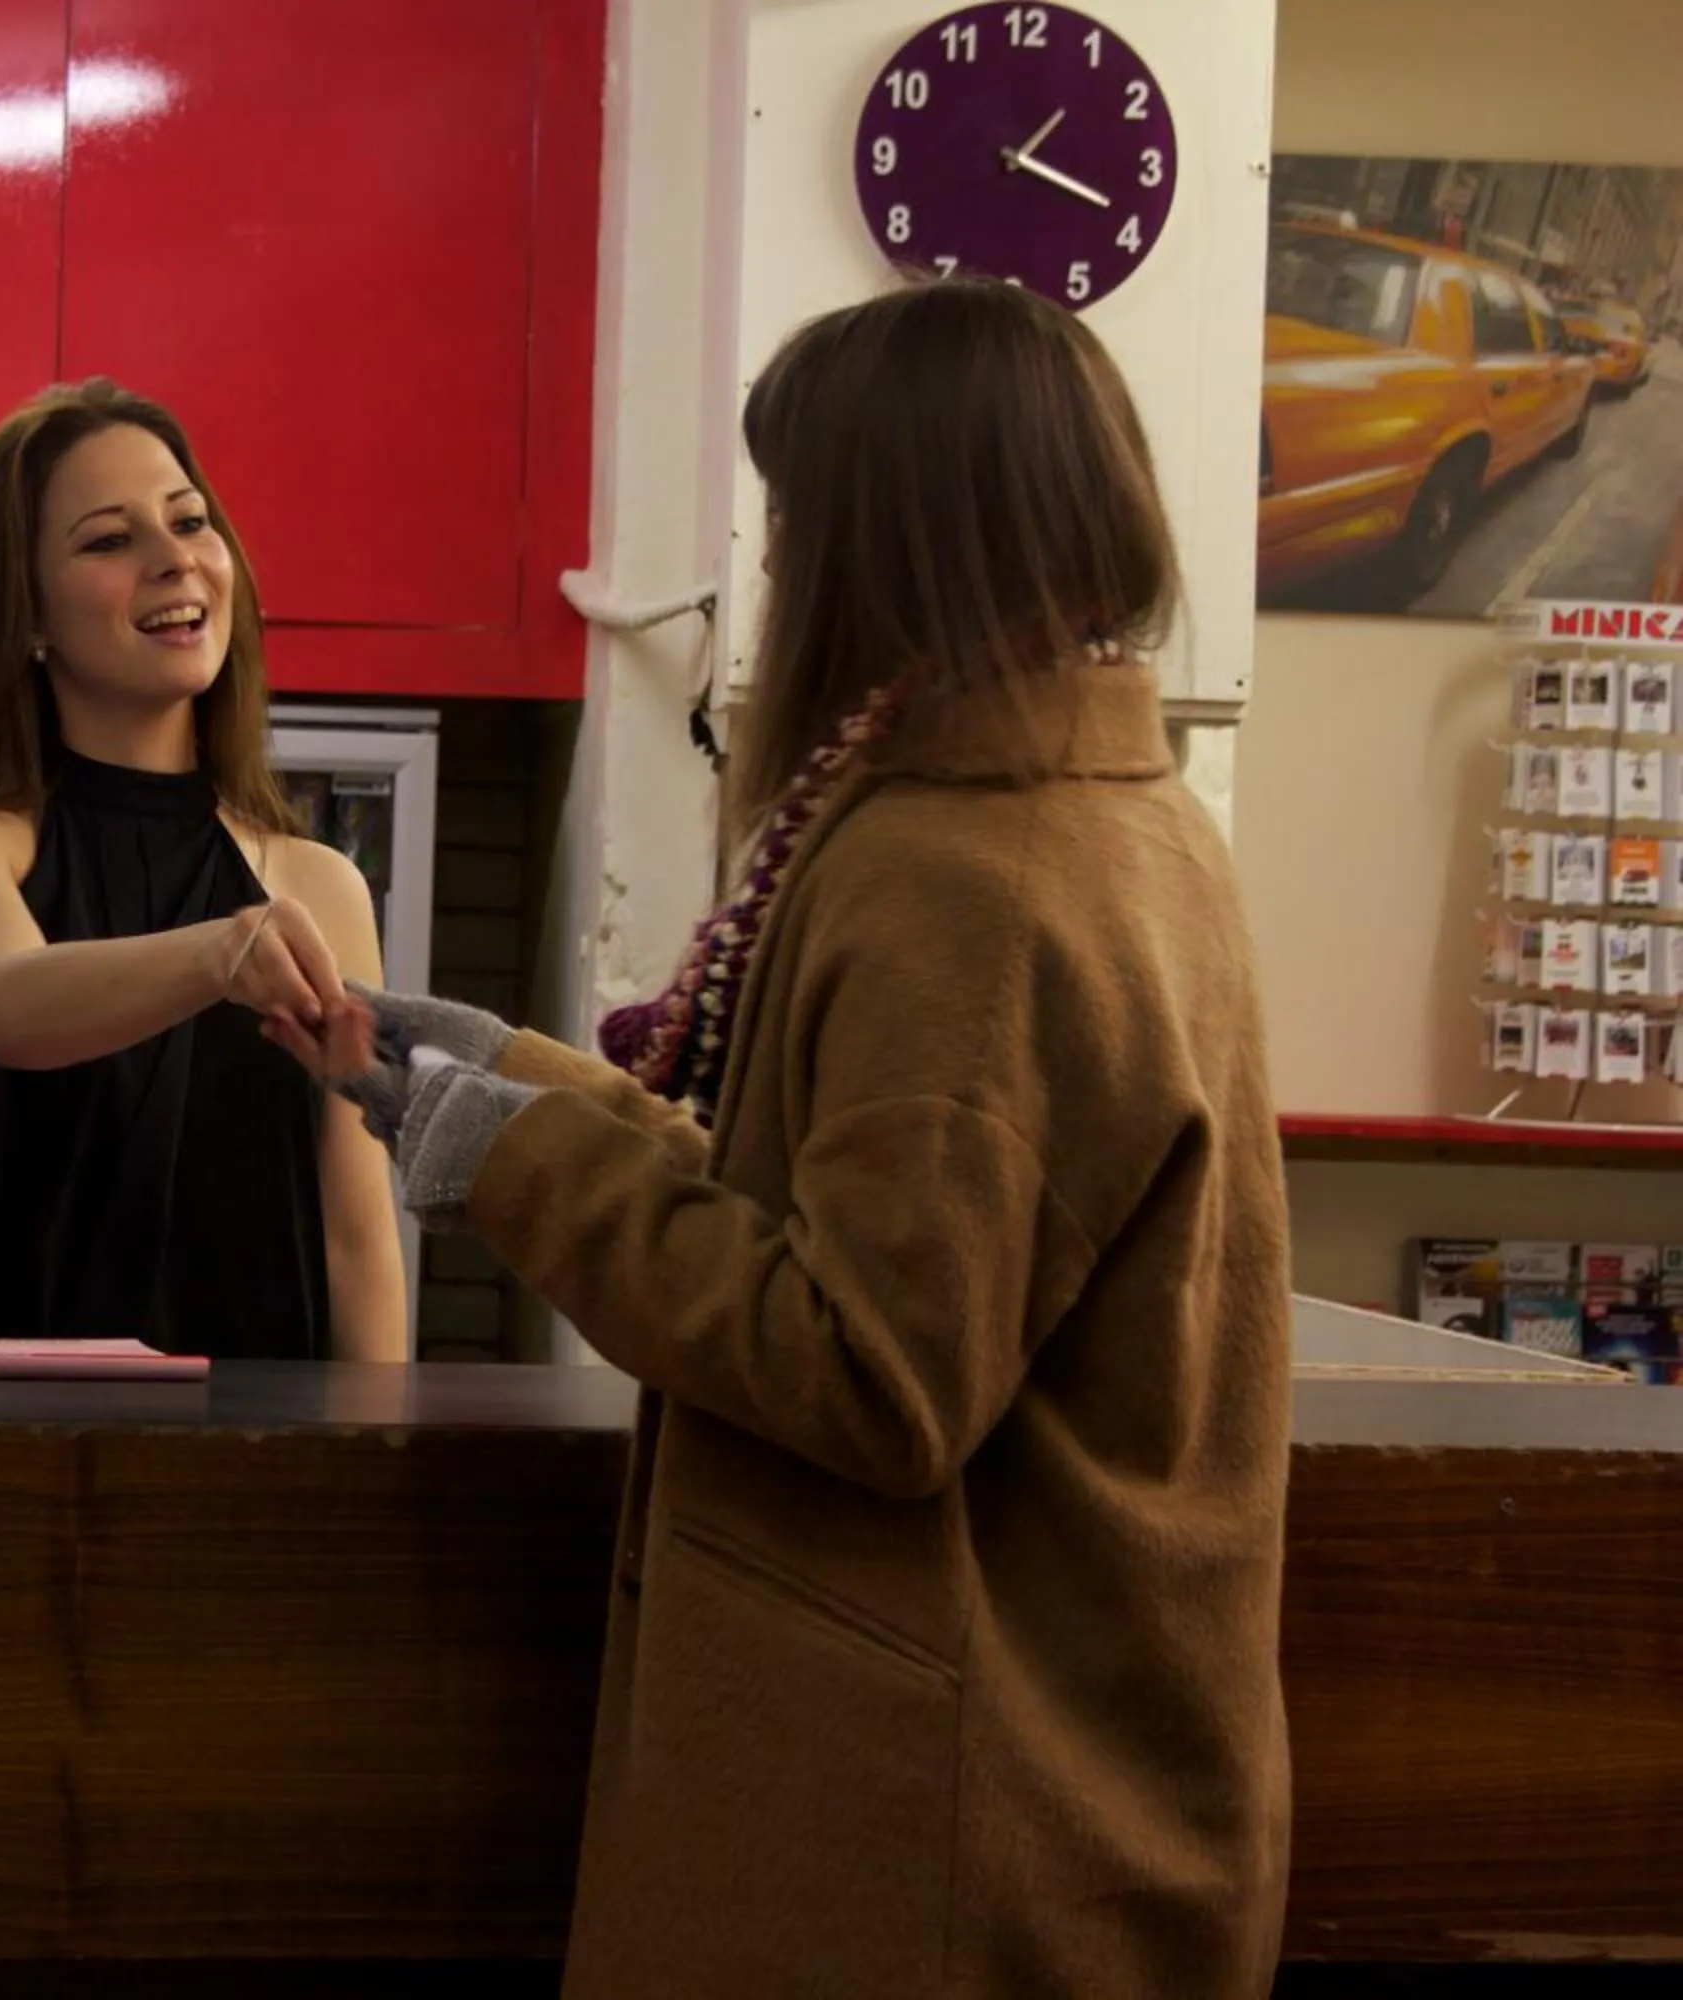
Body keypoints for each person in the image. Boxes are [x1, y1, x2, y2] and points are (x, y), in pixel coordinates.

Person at [330, 281, 1292, 1994]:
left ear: (889, 537)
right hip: (1035, 1780)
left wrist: (511, 1161)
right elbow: (854, 1205)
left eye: (791, 524)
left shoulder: (972, 881)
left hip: (932, 1824)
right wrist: (521, 1083)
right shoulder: (1115, 825)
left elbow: (869, 1365)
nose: (775, 571)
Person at [0, 380, 405, 1361]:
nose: (176, 559)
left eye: (190, 521)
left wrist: (379, 1440)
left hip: (262, 1445)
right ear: (24, 611)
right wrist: (216, 955)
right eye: (109, 540)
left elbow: (355, 1237)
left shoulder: (319, 887)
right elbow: (8, 1005)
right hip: (3, 1439)